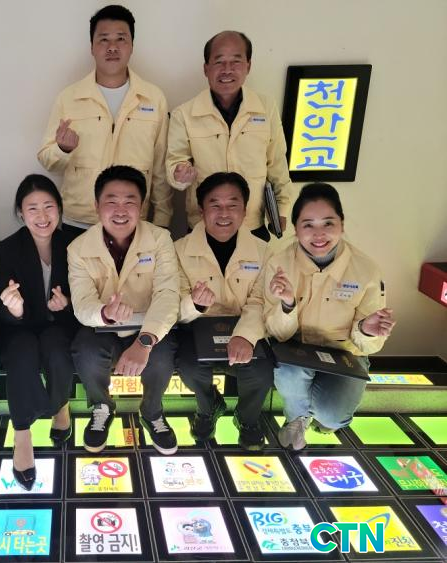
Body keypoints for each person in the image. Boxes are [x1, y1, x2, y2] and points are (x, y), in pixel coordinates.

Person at [235, 183, 396, 450]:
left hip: (345, 354)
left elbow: (369, 346)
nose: (318, 234)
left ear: (342, 224)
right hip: (296, 351)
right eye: (308, 225)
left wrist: (366, 329)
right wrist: (287, 304)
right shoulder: (279, 263)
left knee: (334, 417)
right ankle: (297, 417)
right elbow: (278, 334)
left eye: (328, 223)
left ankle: (319, 414)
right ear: (296, 228)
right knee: (289, 373)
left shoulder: (366, 270)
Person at [68, 165, 179, 455]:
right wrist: (105, 313)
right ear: (96, 206)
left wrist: (145, 341)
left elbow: (168, 295)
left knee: (162, 357)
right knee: (85, 352)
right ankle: (102, 406)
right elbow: (81, 304)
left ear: (141, 206)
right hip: (102, 326)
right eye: (111, 201)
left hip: (148, 326)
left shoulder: (160, 239)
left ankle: (152, 411)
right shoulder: (78, 248)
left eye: (130, 201)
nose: (120, 210)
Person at [38, 4, 172, 237]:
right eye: (103, 40)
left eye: (121, 39)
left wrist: (162, 221)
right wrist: (62, 149)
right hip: (79, 222)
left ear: (132, 46)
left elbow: (160, 167)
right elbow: (47, 160)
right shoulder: (69, 98)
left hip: (133, 220)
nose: (112, 47)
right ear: (92, 47)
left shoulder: (153, 98)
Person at [174, 172, 273, 451]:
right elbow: (172, 305)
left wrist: (245, 336)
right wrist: (194, 304)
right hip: (197, 327)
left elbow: (260, 301)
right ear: (201, 210)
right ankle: (208, 407)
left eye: (233, 205)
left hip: (246, 328)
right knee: (189, 368)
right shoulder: (178, 250)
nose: (224, 213)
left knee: (262, 372)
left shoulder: (265, 252)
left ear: (245, 210)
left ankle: (247, 418)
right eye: (215, 205)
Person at [0, 174, 79, 490]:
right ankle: (22, 433)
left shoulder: (76, 243)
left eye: (48, 206)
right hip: (20, 327)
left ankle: (60, 406)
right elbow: (4, 304)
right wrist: (14, 310)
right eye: (32, 208)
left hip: (61, 324)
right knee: (22, 351)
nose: (42, 216)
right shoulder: (7, 248)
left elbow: (89, 294)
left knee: (56, 347)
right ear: (20, 213)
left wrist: (67, 305)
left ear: (59, 208)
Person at [166, 30, 292, 240]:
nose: (227, 70)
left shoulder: (266, 107)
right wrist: (179, 175)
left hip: (251, 224)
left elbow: (277, 163)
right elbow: (174, 163)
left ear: (248, 66)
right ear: (206, 68)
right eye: (219, 62)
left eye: (236, 61)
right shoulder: (184, 114)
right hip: (203, 225)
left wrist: (282, 209)